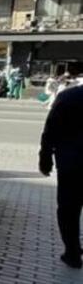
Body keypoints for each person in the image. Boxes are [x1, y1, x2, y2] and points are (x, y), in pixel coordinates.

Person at [39, 81, 83, 269]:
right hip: (71, 163)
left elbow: (50, 131)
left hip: (71, 164)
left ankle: (72, 252)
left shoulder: (68, 96)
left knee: (68, 210)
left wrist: (45, 159)